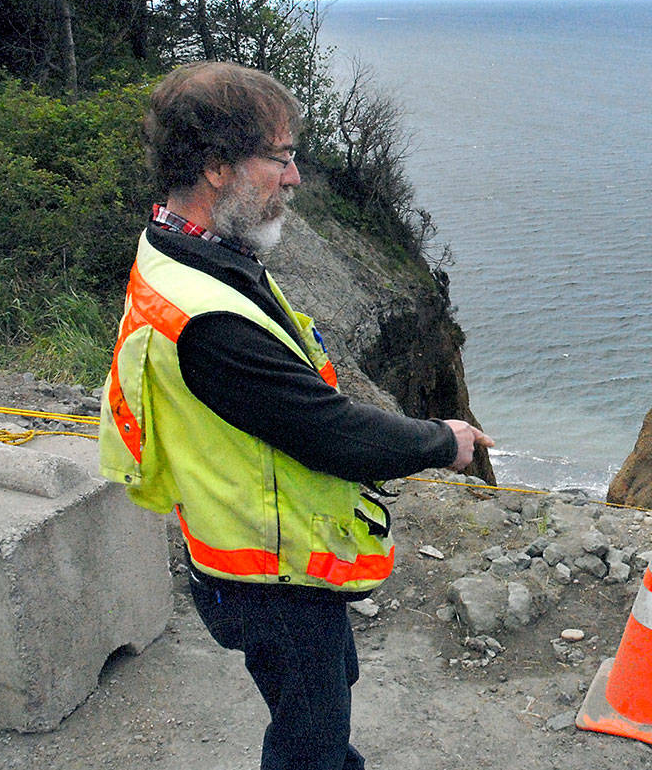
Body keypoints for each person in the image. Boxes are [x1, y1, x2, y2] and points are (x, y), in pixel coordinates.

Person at [99, 61, 492, 770]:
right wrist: (445, 438)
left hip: (253, 546)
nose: (295, 176)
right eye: (280, 157)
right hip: (267, 572)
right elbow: (334, 432)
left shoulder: (182, 248)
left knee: (324, 693)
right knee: (308, 740)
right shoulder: (209, 323)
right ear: (217, 168)